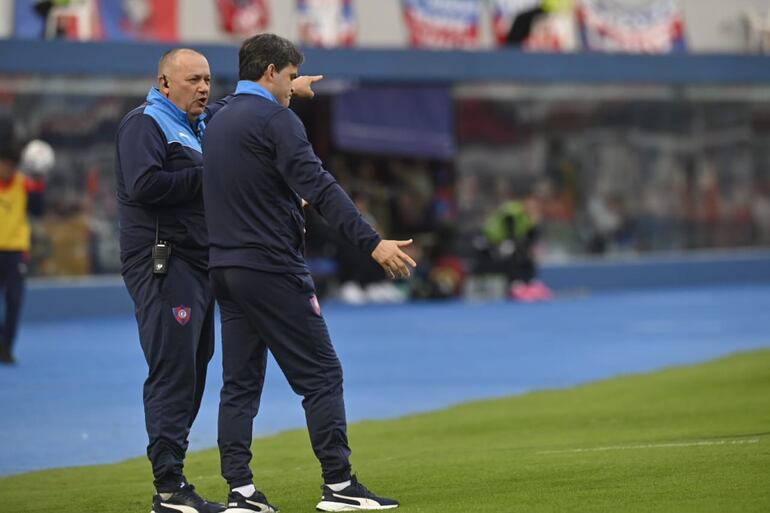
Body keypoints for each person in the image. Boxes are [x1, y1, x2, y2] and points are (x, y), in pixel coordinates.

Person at [202, 33, 415, 513]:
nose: (295, 85)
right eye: (291, 75)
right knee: (321, 374)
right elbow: (319, 187)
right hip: (271, 267)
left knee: (239, 385)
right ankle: (339, 486)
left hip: (225, 269)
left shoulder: (217, 120)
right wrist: (373, 243)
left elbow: (242, 117)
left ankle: (241, 493)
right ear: (271, 71)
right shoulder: (279, 121)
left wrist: (284, 90)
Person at [114, 47, 322, 513]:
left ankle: (175, 483)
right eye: (193, 80)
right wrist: (214, 174)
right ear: (165, 83)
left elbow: (235, 101)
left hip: (198, 261)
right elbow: (144, 186)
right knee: (174, 368)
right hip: (161, 260)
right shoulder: (145, 123)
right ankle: (168, 489)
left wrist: (289, 88)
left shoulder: (200, 122)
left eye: (208, 79)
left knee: (194, 368)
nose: (204, 88)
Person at [0, 141, 47, 364]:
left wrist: (38, 183)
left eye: (10, 165)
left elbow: (38, 210)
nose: (6, 169)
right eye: (3, 165)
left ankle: (6, 348)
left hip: (15, 252)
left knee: (14, 302)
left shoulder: (24, 185)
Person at [482, 195, 552, 301]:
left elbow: (530, 238)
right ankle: (516, 284)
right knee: (513, 250)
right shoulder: (513, 210)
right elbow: (510, 233)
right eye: (531, 203)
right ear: (525, 201)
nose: (534, 207)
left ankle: (530, 283)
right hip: (493, 241)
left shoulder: (528, 217)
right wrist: (512, 244)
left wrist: (534, 224)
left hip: (511, 242)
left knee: (528, 253)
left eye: (536, 205)